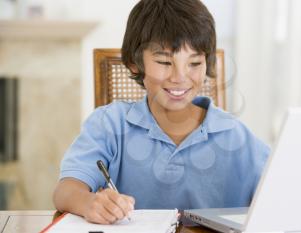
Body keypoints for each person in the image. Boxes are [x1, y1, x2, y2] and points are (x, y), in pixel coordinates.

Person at [53, 0, 270, 225]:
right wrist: (89, 203)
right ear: (135, 63)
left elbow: (284, 190)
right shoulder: (110, 124)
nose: (180, 77)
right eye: (165, 62)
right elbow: (65, 190)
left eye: (194, 63)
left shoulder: (235, 134)